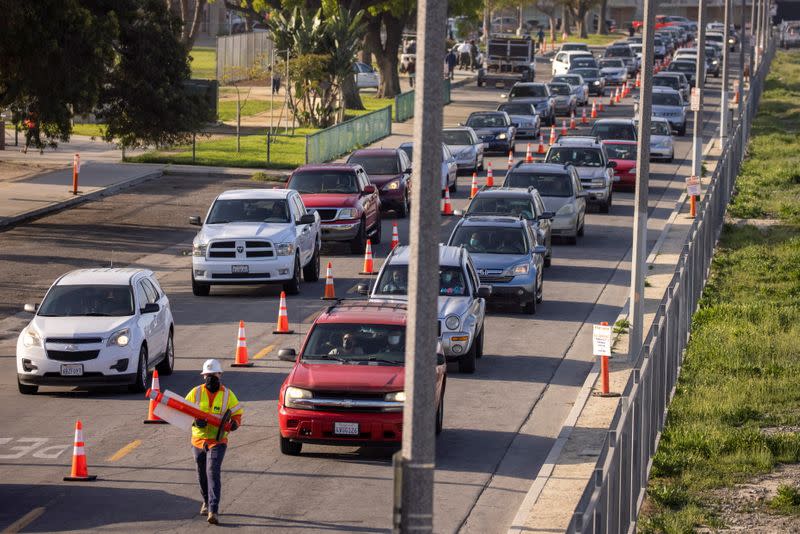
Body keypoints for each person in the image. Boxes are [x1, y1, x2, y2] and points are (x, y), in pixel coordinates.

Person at [186, 359, 244, 525]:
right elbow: (183, 411)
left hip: (218, 441)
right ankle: (206, 500)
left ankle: (213, 509)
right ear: (204, 376)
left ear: (220, 375)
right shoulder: (195, 393)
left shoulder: (227, 395)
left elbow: (237, 413)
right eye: (208, 375)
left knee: (212, 470)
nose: (211, 377)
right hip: (198, 440)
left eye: (214, 374)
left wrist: (235, 423)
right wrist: (195, 422)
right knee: (201, 473)